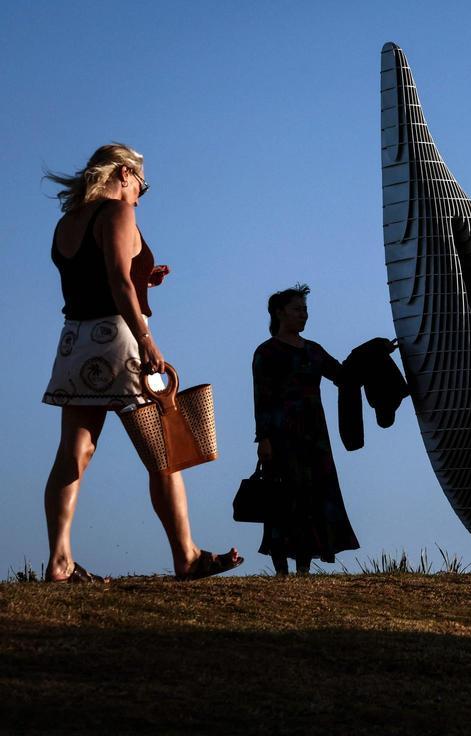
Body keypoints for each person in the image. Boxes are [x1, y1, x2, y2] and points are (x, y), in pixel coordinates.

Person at [42, 143, 242, 582]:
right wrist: (147, 340)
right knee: (163, 451)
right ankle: (186, 555)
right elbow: (116, 279)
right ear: (123, 173)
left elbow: (93, 276)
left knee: (74, 453)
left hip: (75, 342)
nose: (139, 194)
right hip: (118, 340)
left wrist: (142, 277)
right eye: (140, 184)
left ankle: (59, 560)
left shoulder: (67, 223)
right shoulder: (116, 213)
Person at [253, 284, 359, 576]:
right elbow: (261, 397)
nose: (304, 315)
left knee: (313, 497)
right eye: (297, 309)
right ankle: (281, 570)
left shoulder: (313, 350)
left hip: (314, 437)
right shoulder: (267, 352)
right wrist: (263, 439)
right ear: (279, 312)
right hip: (281, 435)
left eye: (305, 310)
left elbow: (342, 375)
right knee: (283, 500)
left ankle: (303, 568)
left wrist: (372, 353)